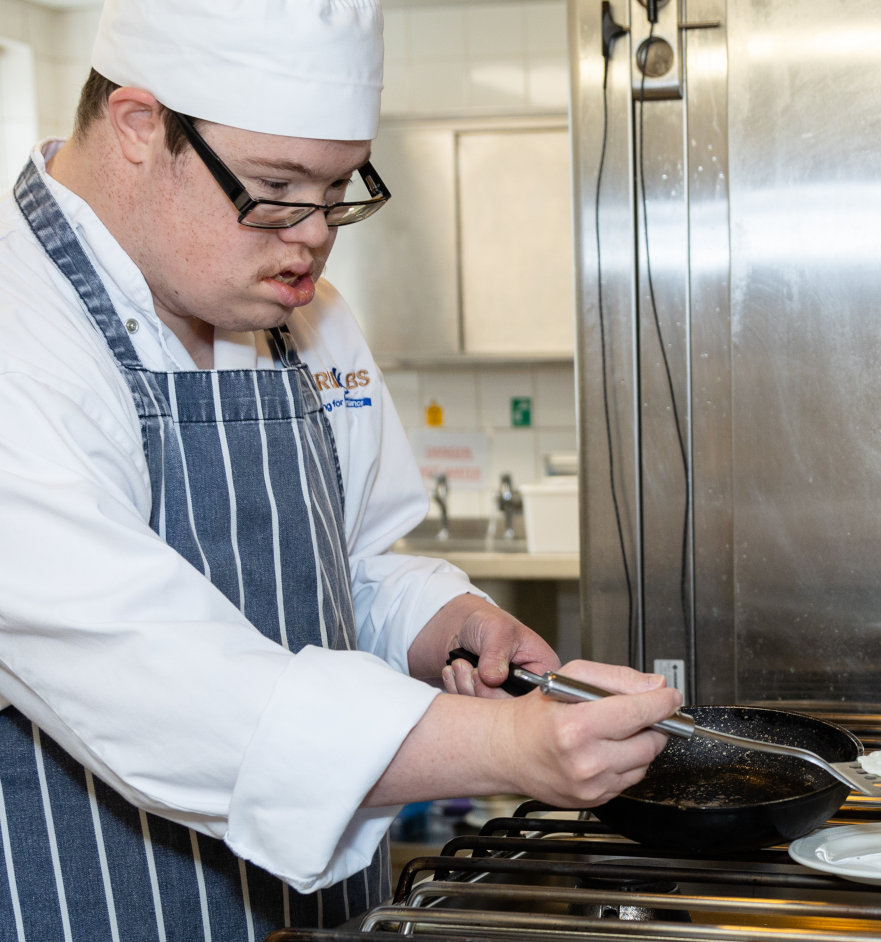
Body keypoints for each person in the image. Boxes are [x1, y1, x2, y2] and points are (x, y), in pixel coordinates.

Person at [0, 1, 683, 938]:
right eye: (278, 187)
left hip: (329, 914)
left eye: (338, 188)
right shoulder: (20, 338)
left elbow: (352, 560)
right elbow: (162, 680)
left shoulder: (300, 311)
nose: (316, 235)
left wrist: (442, 619)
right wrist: (508, 747)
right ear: (137, 125)